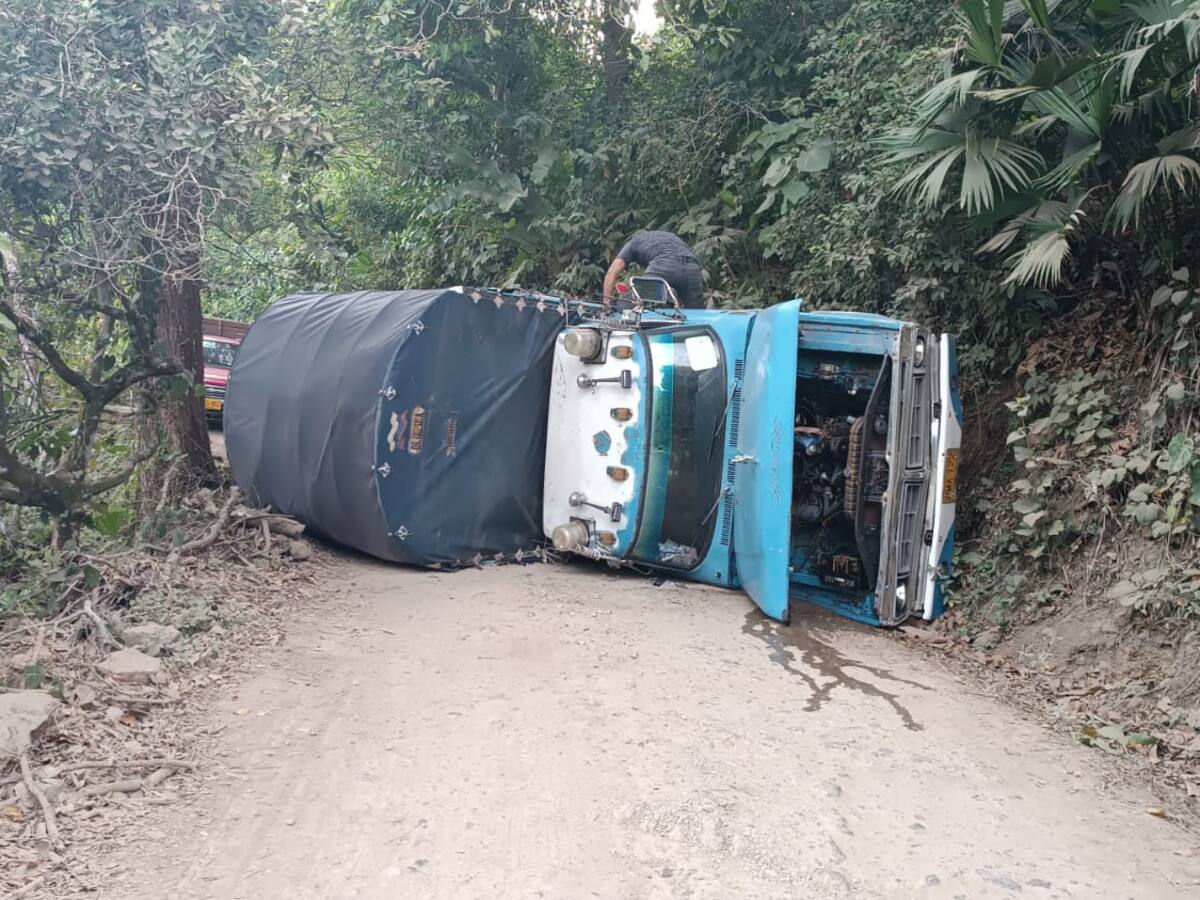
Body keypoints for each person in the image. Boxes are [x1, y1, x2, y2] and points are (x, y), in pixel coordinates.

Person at [602, 230, 705, 309]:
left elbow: (611, 273)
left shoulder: (632, 244)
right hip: (692, 266)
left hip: (665, 262)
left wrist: (606, 303)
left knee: (631, 301)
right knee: (695, 313)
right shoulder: (663, 237)